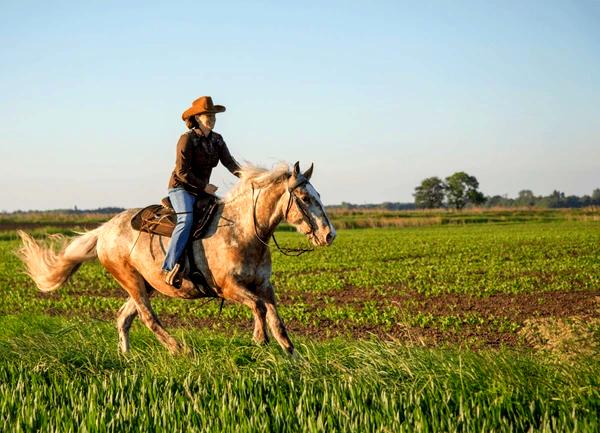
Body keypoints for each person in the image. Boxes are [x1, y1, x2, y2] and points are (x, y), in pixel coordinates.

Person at [162, 96, 241, 286]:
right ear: (197, 117)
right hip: (181, 187)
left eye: (213, 115)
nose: (212, 118)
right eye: (207, 115)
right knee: (186, 219)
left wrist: (250, 177)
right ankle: (168, 266)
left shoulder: (217, 140)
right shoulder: (186, 139)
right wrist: (204, 187)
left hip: (201, 191)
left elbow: (230, 163)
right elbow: (181, 172)